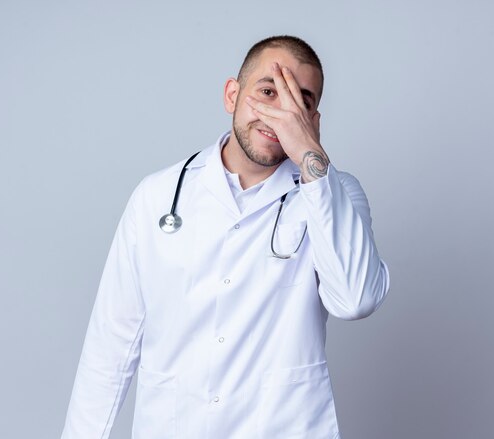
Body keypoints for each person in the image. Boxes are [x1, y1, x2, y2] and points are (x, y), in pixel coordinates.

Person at [61, 35, 390, 439]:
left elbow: (356, 299)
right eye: (268, 92)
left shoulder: (334, 194)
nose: (281, 113)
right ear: (232, 95)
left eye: (300, 102)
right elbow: (111, 344)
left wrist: (309, 153)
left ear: (313, 119)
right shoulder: (157, 197)